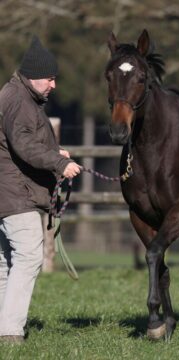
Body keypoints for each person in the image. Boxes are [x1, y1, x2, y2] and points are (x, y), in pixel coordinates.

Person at [0, 35, 82, 343]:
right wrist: (59, 165)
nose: (53, 85)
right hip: (15, 194)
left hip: (7, 192)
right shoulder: (20, 101)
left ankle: (4, 328)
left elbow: (20, 141)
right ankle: (10, 332)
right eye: (49, 79)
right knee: (29, 258)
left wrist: (53, 151)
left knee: (8, 262)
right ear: (33, 77)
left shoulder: (15, 95)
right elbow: (22, 145)